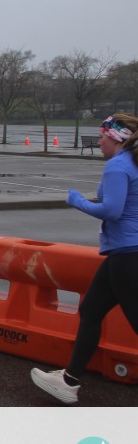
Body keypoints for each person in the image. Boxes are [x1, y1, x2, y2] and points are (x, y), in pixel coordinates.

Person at [31, 113, 138, 404]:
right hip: (124, 252)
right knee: (91, 310)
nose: (99, 141)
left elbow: (112, 211)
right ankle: (69, 381)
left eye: (103, 135)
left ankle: (69, 381)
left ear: (117, 138)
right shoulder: (132, 163)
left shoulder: (118, 165)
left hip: (128, 254)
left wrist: (77, 200)